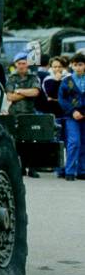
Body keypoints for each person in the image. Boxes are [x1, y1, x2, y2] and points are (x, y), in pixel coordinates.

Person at [6, 52, 44, 178]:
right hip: (15, 114)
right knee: (17, 142)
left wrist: (19, 91)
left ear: (27, 64)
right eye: (19, 63)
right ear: (15, 64)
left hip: (29, 113)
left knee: (31, 141)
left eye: (24, 63)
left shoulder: (33, 77)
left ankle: (32, 168)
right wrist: (25, 93)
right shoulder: (11, 78)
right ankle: (20, 168)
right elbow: (10, 96)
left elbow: (35, 92)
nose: (22, 66)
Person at [58, 53, 85, 181]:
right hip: (71, 116)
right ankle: (69, 171)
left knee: (84, 143)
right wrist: (72, 111)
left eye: (80, 64)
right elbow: (62, 99)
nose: (78, 67)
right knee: (74, 142)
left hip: (84, 114)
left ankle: (82, 170)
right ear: (71, 66)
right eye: (75, 65)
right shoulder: (67, 81)